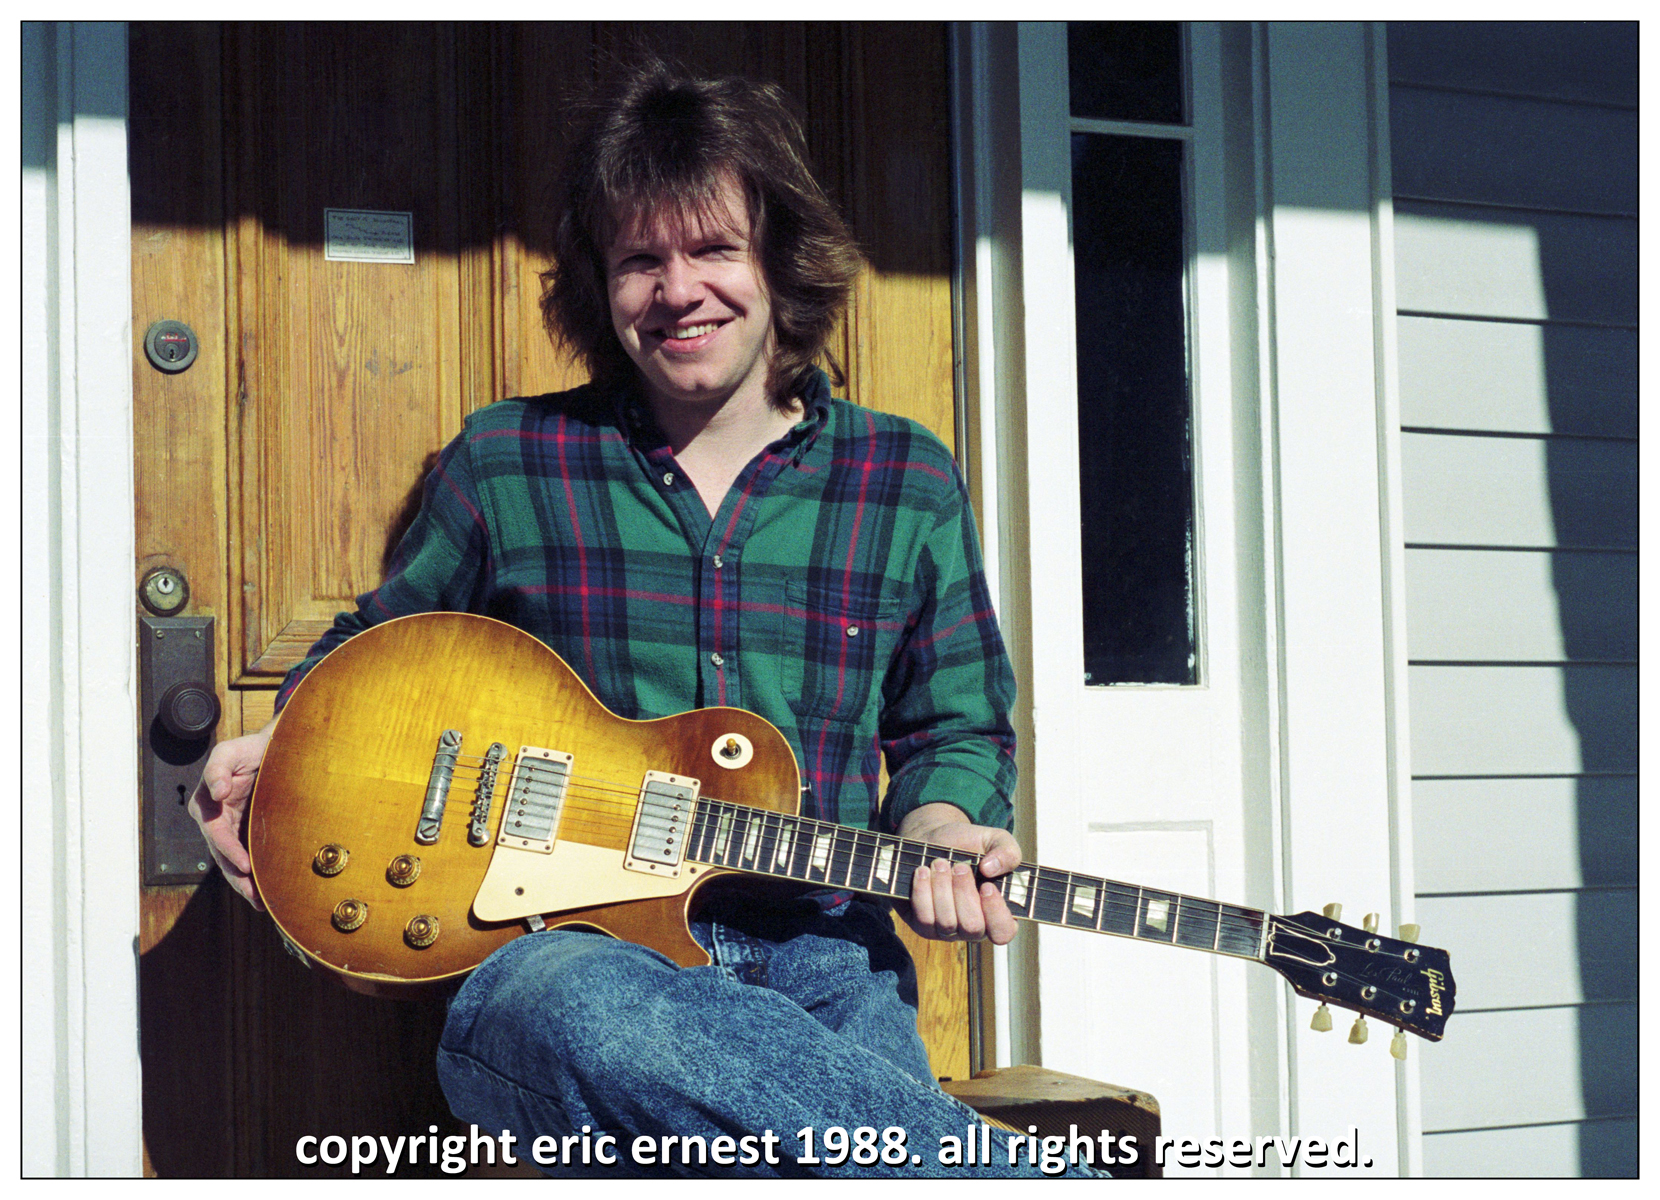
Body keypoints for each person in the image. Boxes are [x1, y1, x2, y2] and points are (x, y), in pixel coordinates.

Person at [190, 59, 1087, 1179]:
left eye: (713, 249)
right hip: (566, 950)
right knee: (612, 1032)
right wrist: (280, 753)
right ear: (599, 283)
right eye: (639, 259)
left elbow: (951, 727)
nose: (678, 290)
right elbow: (375, 654)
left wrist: (944, 832)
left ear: (777, 260)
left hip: (818, 946)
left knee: (843, 1134)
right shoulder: (511, 461)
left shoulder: (902, 479)